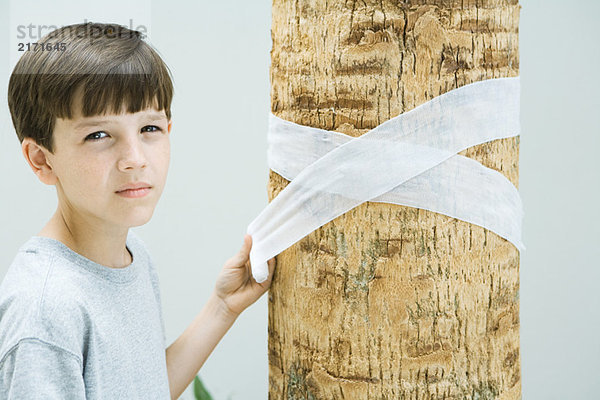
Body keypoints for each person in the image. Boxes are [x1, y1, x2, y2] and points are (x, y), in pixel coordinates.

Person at [0, 22, 275, 399]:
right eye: (98, 135)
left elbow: (141, 389)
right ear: (41, 160)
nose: (134, 159)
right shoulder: (47, 308)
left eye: (149, 128)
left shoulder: (132, 257)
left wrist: (222, 308)